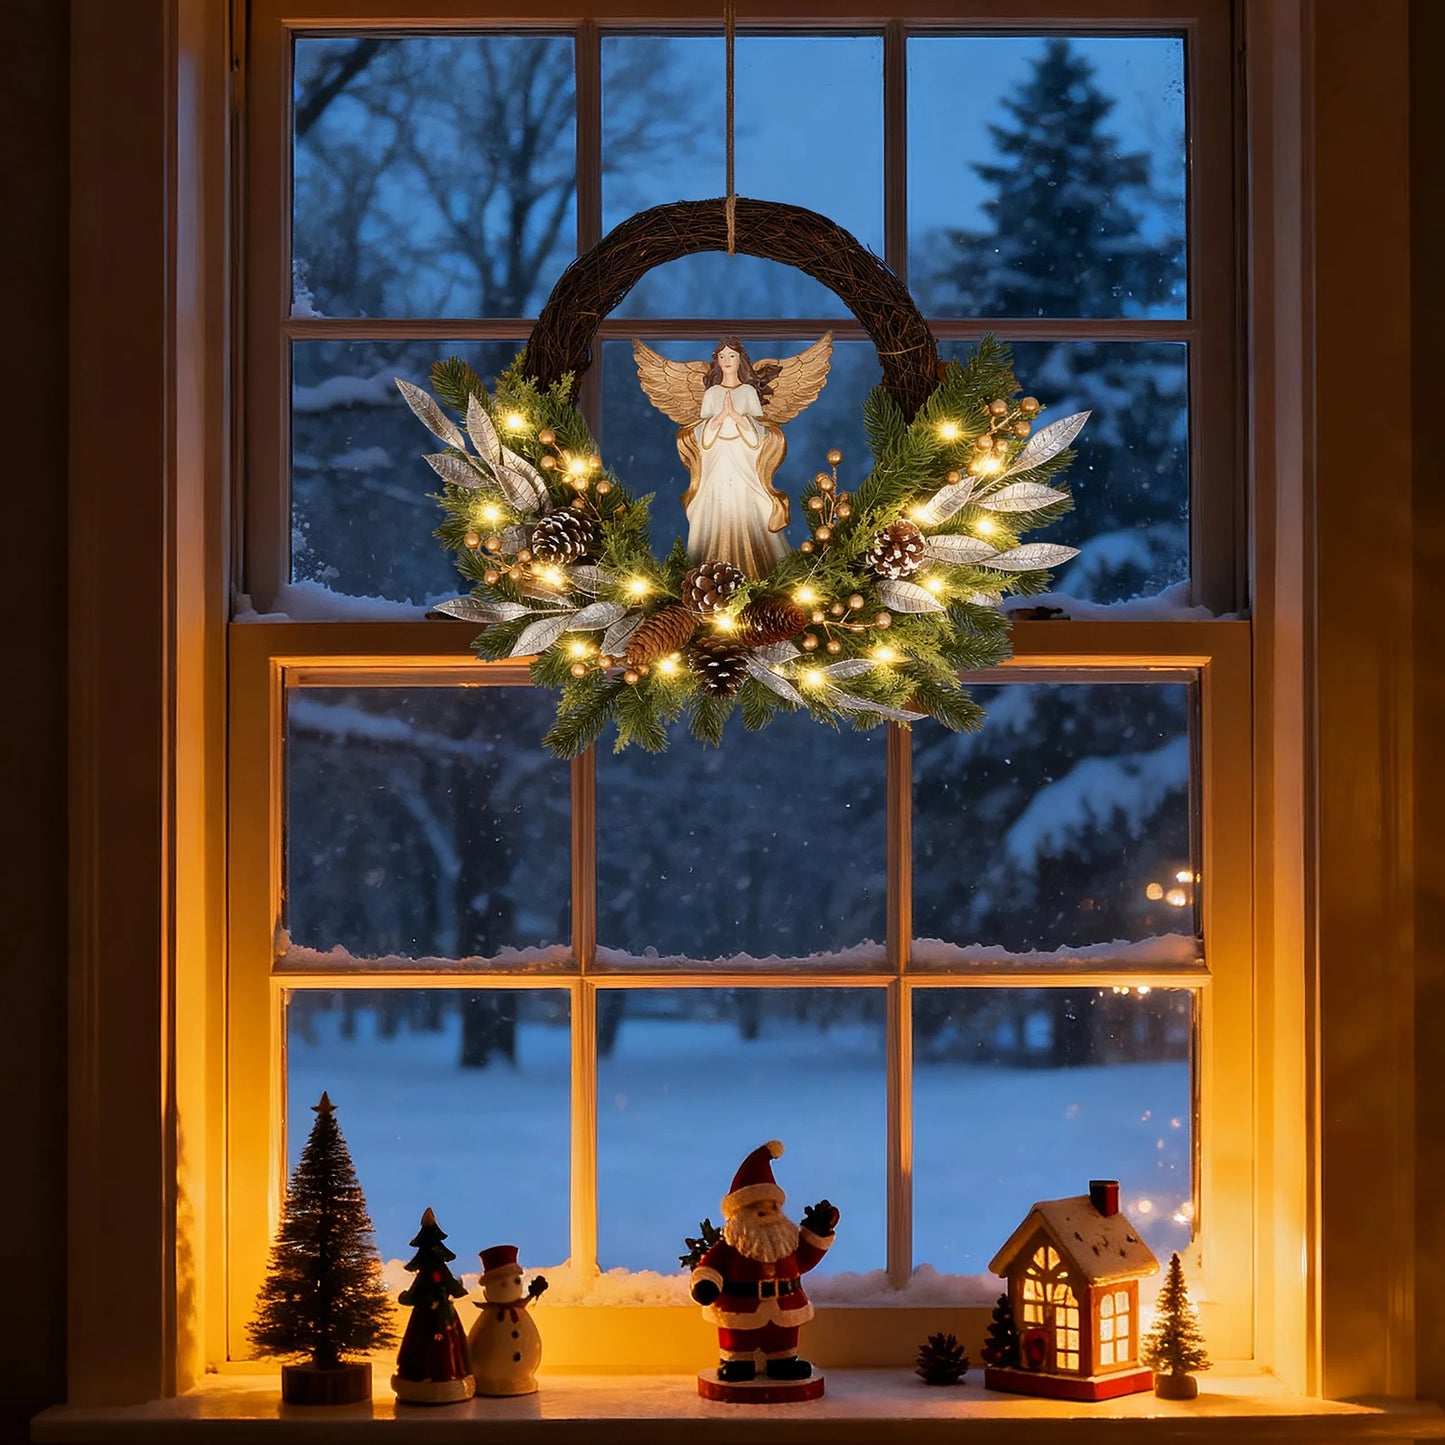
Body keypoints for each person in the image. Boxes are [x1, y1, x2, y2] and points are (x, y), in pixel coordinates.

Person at [689, 1140, 839, 1382]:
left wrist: (818, 1232)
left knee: (783, 1341)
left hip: (786, 1307)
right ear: (739, 1213)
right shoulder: (731, 1247)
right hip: (741, 1309)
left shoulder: (786, 1242)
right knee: (739, 1341)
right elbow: (710, 1267)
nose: (767, 1214)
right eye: (758, 1209)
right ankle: (737, 1362)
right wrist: (706, 1284)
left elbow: (804, 1260)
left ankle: (783, 1362)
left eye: (772, 1208)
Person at [677, 339, 790, 579]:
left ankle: (757, 570)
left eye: (731, 356)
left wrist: (738, 418)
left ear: (740, 360)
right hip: (717, 458)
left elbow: (761, 431)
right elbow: (700, 434)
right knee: (715, 504)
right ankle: (709, 570)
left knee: (749, 505)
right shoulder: (712, 394)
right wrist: (719, 418)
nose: (726, 361)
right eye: (722, 356)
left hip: (743, 459)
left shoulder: (748, 392)